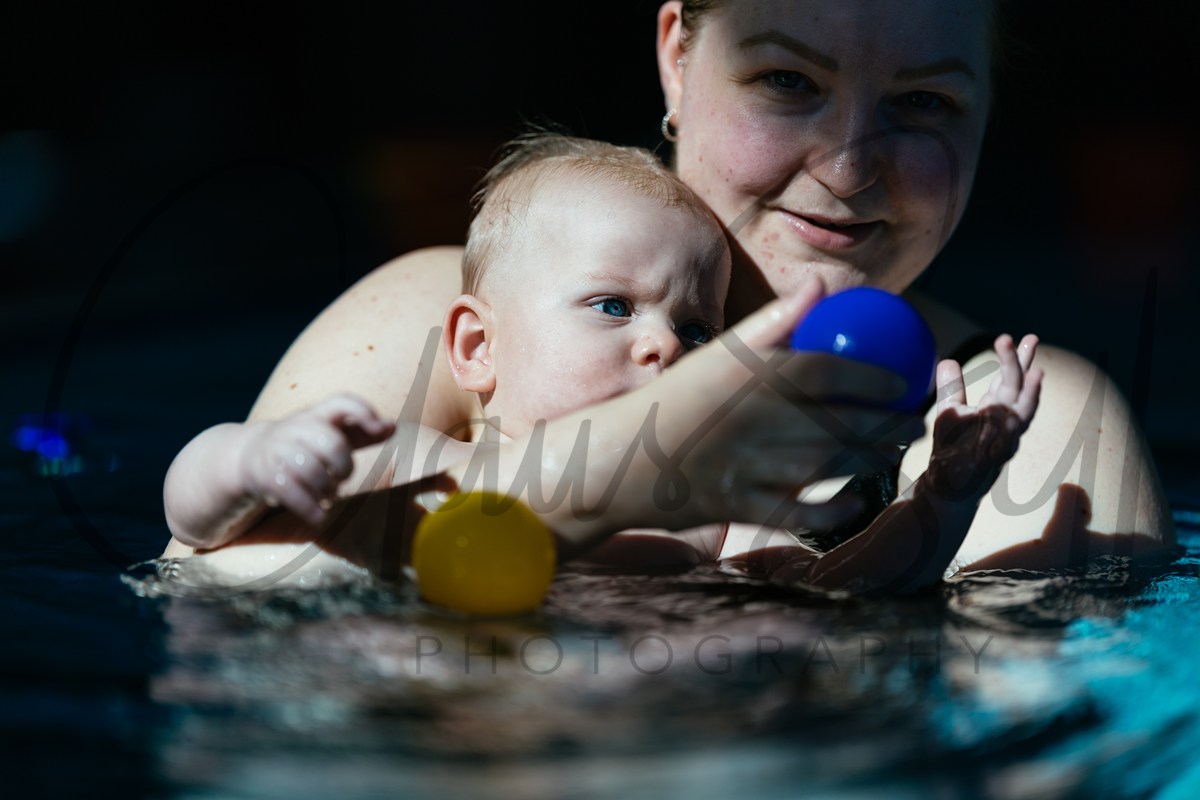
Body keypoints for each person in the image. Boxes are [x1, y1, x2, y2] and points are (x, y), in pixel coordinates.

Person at [164, 0, 1172, 593]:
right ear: (678, 61)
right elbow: (223, 588)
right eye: (787, 81)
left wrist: (941, 502)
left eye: (923, 101)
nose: (849, 167)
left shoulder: (1019, 412)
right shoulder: (452, 303)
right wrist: (643, 470)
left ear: (988, 118)